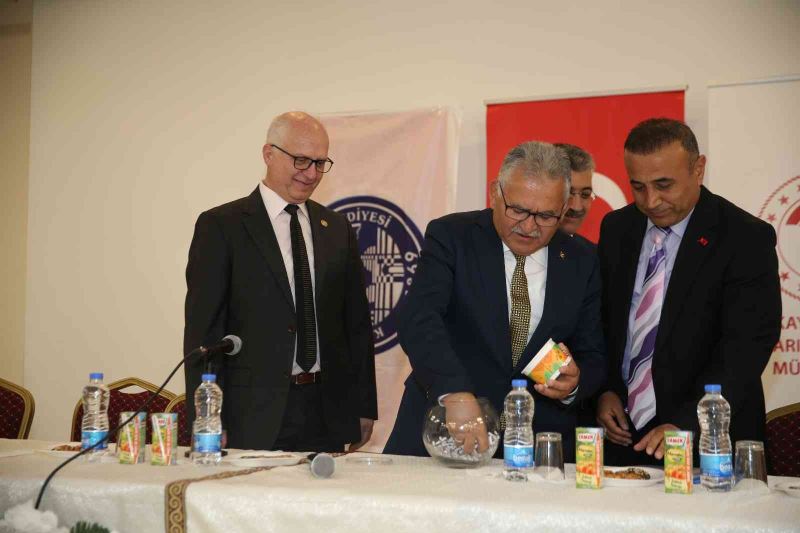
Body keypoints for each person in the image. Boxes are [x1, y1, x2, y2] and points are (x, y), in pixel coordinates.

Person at [384, 141, 606, 460]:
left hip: (534, 448)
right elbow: (419, 319)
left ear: (564, 208)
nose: (528, 226)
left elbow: (593, 352)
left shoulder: (582, 260)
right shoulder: (452, 236)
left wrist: (574, 383)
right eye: (517, 210)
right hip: (441, 433)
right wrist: (454, 391)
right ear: (494, 193)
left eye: (546, 216)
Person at [183, 111, 377, 452]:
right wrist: (208, 416)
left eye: (320, 163)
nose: (311, 173)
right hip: (251, 415)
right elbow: (204, 333)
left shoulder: (337, 228)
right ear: (268, 154)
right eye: (301, 160)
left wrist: (363, 406)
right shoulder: (222, 226)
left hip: (327, 412)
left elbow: (356, 325)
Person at [595, 118, 781, 465]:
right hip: (623, 438)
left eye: (664, 184)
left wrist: (686, 423)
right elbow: (604, 322)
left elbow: (746, 346)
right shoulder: (617, 228)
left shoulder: (744, 236)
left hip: (707, 440)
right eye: (638, 186)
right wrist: (605, 390)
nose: (651, 200)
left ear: (698, 169)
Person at [555, 142, 596, 245]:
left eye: (585, 194)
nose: (577, 207)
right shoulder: (520, 247)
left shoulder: (592, 253)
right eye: (568, 193)